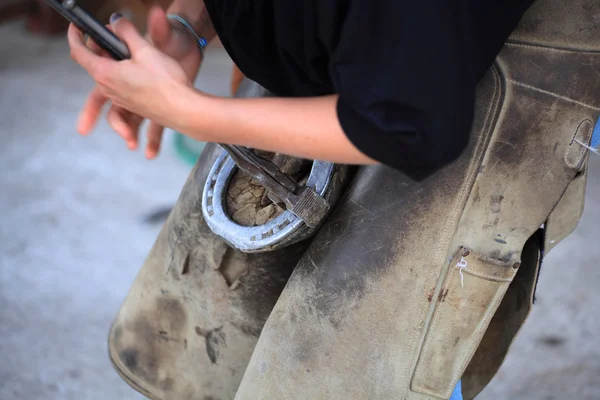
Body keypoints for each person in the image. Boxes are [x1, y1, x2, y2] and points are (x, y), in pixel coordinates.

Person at [66, 0, 599, 399]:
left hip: (466, 62)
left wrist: (192, 113)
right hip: (370, 33)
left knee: (351, 366)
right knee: (194, 340)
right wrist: (187, 28)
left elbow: (412, 124)